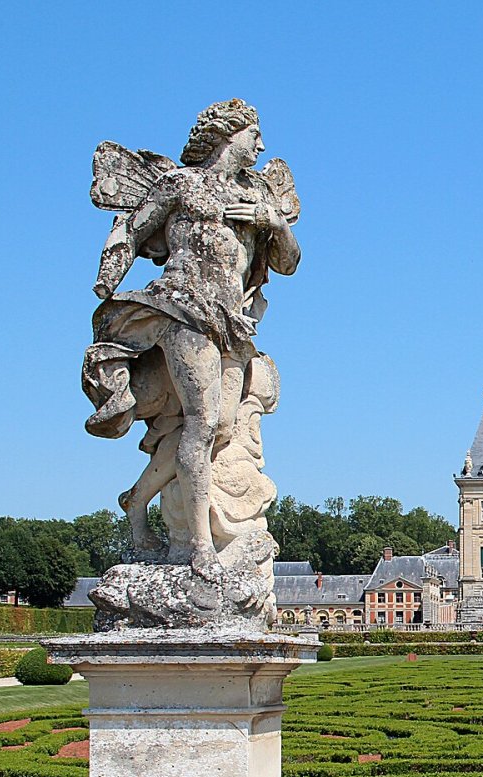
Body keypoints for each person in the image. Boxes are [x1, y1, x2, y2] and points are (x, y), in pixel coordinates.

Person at [84, 99, 300, 578]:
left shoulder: (258, 195)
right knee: (202, 423)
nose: (261, 145)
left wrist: (274, 223)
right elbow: (133, 229)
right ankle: (199, 545)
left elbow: (289, 262)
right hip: (185, 306)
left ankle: (136, 499)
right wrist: (108, 278)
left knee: (217, 429)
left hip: (232, 321)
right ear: (227, 135)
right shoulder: (183, 185)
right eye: (253, 134)